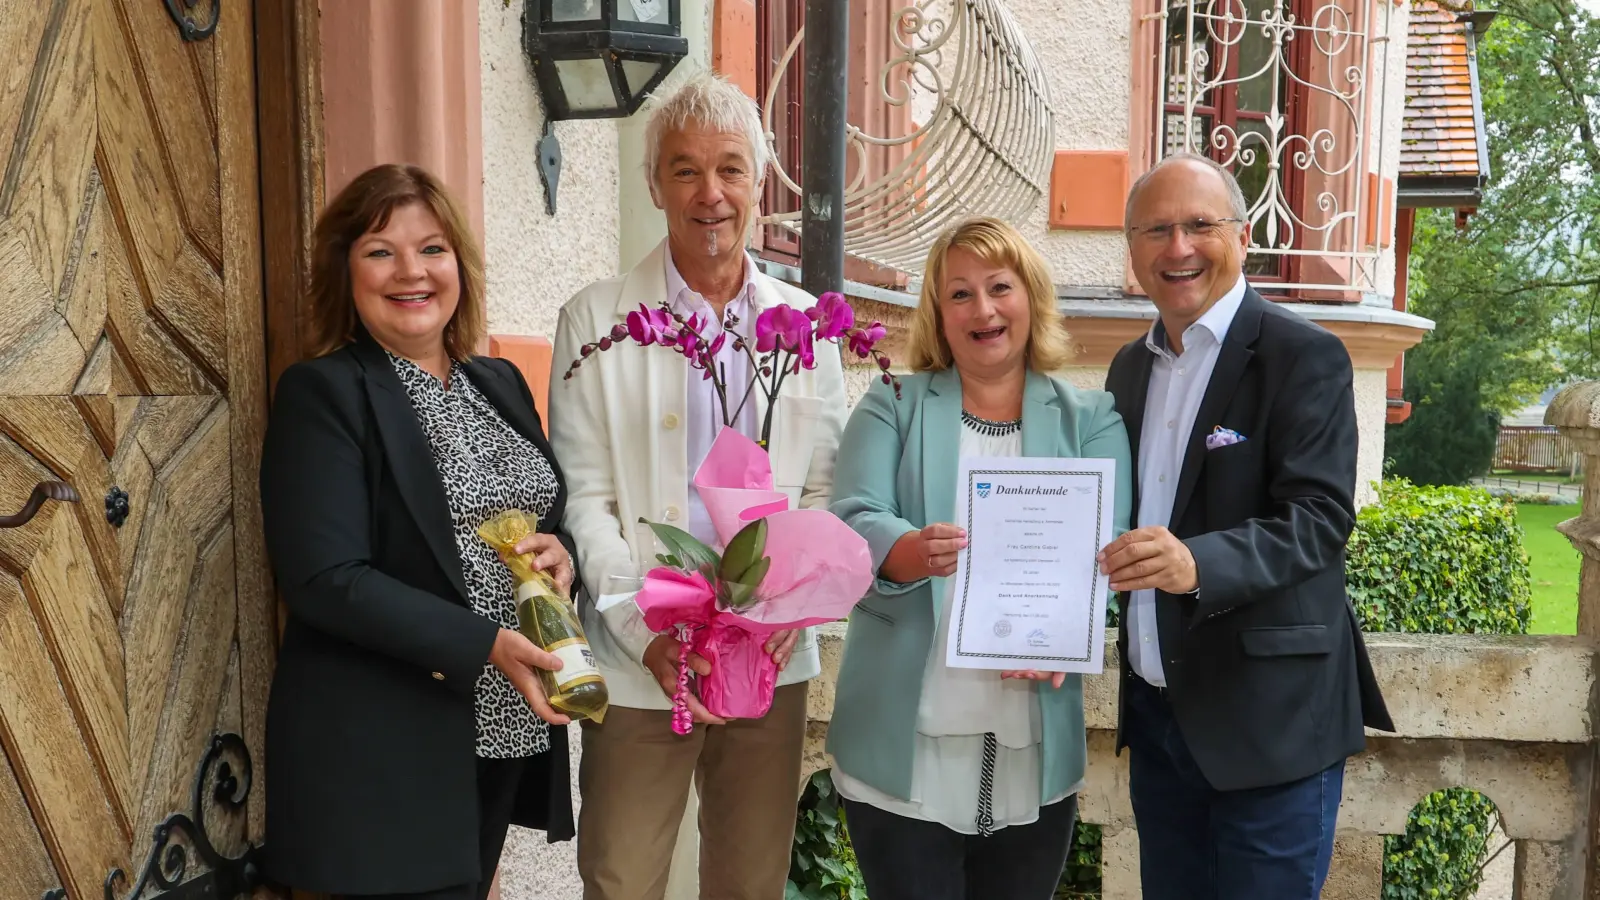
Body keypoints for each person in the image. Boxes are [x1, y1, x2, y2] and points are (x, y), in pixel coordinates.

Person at [547, 71, 848, 900]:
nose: (709, 193)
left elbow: (824, 491)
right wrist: (647, 634)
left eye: (729, 169)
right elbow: (587, 502)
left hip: (768, 661)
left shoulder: (806, 327)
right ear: (655, 185)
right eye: (684, 170)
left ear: (760, 182)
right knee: (621, 880)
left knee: (750, 884)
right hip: (641, 662)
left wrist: (788, 610)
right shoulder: (595, 321)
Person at [260, 163, 577, 900]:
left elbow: (541, 513)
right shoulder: (323, 393)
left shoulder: (496, 381)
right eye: (381, 252)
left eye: (432, 249)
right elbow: (325, 580)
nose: (412, 271)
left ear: (458, 264)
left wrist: (562, 552)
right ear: (346, 272)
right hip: (386, 743)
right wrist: (484, 643)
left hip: (502, 725)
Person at [1099, 152, 1394, 898]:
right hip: (1160, 721)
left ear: (1243, 234)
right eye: (1156, 230)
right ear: (1132, 249)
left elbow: (1319, 519)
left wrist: (1196, 563)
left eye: (1200, 224)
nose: (1178, 247)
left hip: (1271, 727)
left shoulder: (1304, 356)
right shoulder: (1128, 370)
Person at [825, 217, 1133, 900]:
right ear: (939, 314)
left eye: (1000, 287)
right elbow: (852, 517)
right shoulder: (892, 401)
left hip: (1032, 750)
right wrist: (910, 550)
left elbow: (1105, 550)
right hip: (903, 749)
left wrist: (1064, 630)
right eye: (959, 294)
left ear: (1032, 298)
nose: (983, 309)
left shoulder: (1093, 420)